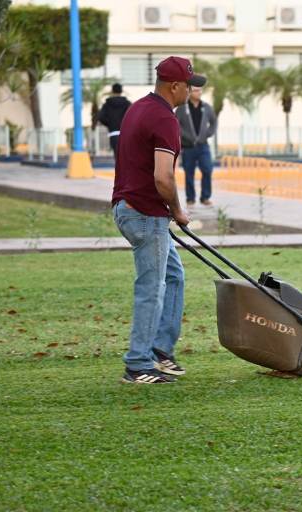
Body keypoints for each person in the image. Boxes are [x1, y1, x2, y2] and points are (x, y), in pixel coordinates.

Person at [111, 56, 206, 384]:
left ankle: (160, 350)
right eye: (189, 85)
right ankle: (138, 364)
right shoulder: (166, 120)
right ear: (175, 86)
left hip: (128, 207)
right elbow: (163, 177)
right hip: (145, 214)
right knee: (151, 288)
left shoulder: (138, 108)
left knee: (174, 276)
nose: (191, 91)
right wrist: (178, 211)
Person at [175, 86, 217, 206]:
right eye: (196, 90)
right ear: (189, 92)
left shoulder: (206, 107)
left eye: (200, 90)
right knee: (189, 172)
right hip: (188, 147)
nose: (199, 92)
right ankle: (190, 198)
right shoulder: (182, 108)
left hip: (203, 146)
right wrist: (185, 136)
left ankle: (205, 197)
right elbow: (176, 124)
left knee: (207, 169)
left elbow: (214, 122)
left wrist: (208, 133)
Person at [97, 83, 131, 162]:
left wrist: (110, 124)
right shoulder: (127, 103)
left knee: (117, 157)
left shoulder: (107, 104)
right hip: (126, 134)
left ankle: (119, 169)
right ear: (121, 91)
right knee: (127, 156)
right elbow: (133, 116)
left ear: (112, 91)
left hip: (113, 133)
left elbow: (101, 117)